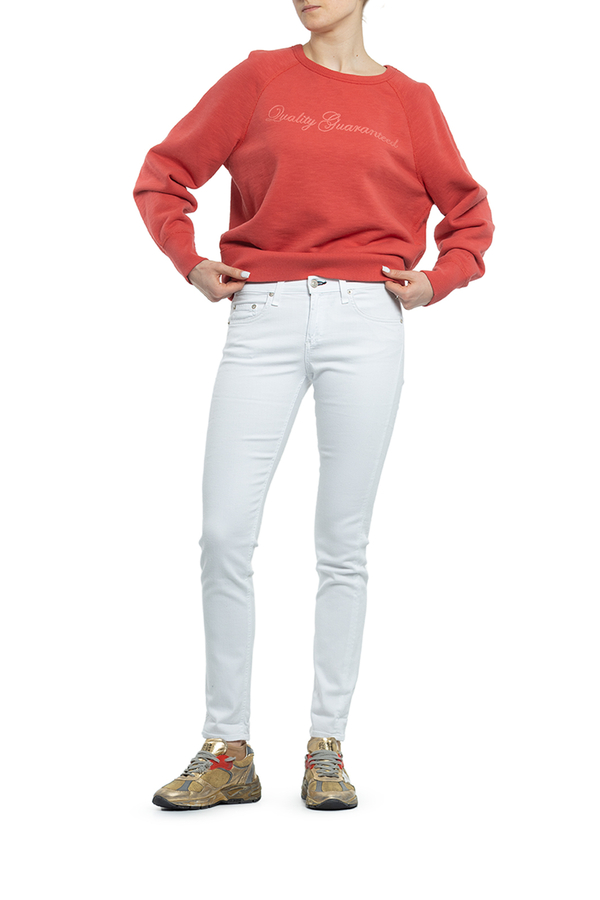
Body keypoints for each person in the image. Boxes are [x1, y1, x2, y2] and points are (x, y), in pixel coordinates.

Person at [133, 0, 494, 812]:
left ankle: (326, 746)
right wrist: (189, 260)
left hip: (369, 319)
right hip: (262, 310)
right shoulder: (259, 78)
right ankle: (227, 748)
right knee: (225, 533)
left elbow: (470, 214)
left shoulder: (410, 100)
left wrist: (439, 280)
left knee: (342, 542)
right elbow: (164, 174)